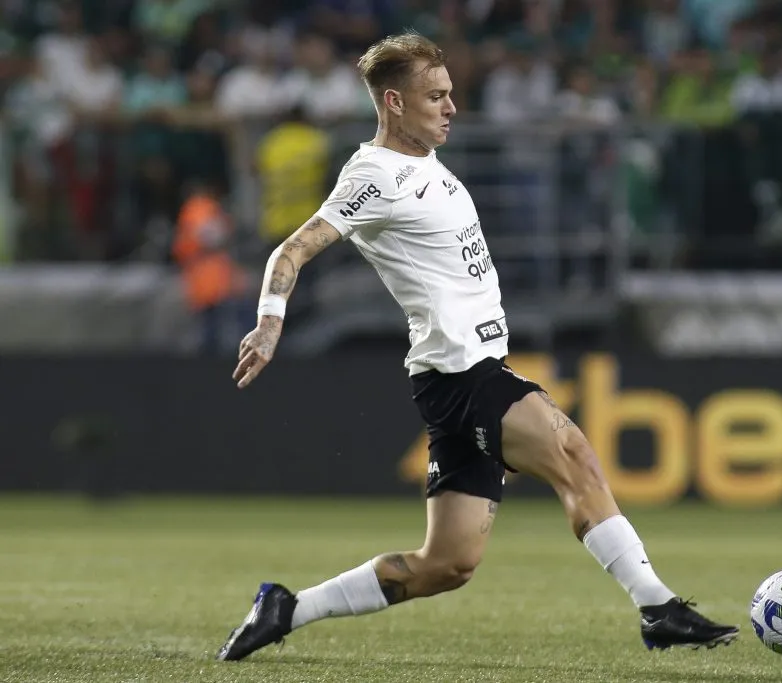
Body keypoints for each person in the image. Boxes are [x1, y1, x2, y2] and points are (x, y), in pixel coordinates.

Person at [217, 31, 738, 662]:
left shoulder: (423, 163)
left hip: (454, 376)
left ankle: (287, 607)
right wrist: (269, 322)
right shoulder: (374, 174)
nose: (451, 107)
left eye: (451, 93)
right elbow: (292, 248)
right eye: (434, 95)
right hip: (463, 375)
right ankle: (659, 608)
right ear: (393, 101)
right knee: (573, 451)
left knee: (448, 564)